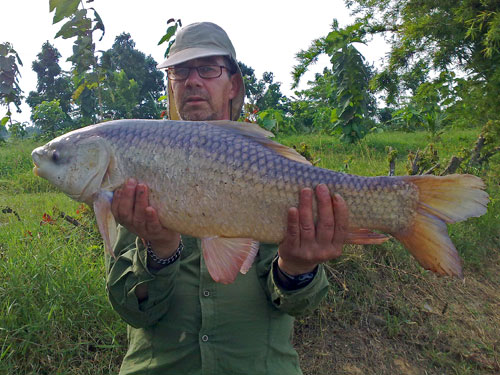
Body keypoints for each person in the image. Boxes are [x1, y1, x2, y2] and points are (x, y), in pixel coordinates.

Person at [106, 22, 349, 375]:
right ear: (170, 85)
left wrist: (296, 269)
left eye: (208, 69)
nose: (192, 80)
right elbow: (131, 309)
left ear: (233, 84)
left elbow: (299, 304)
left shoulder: (270, 165)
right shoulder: (134, 167)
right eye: (180, 71)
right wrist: (159, 250)